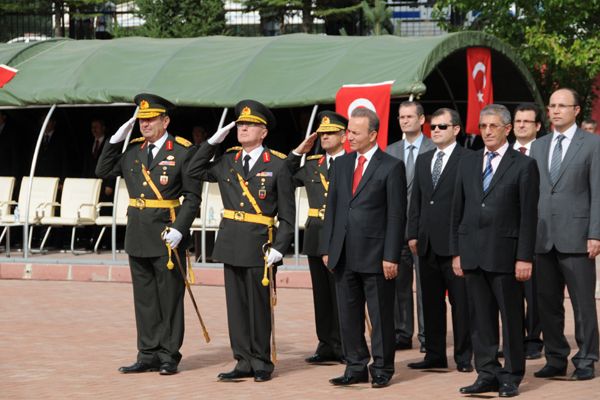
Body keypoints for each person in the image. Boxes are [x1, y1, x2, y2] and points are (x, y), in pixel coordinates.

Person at [187, 99, 295, 383]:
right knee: (236, 307)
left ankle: (261, 362)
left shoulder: (278, 165)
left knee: (258, 307)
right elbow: (193, 170)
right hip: (231, 241)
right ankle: (243, 360)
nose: (243, 128)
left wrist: (280, 248)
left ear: (264, 132)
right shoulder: (227, 160)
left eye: (250, 125)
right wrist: (211, 142)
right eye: (241, 124)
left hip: (260, 245)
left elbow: (287, 215)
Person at [96, 93, 201, 376]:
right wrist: (116, 138)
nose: (145, 124)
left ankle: (169, 355)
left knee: (169, 297)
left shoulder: (182, 150)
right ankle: (147, 353)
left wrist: (180, 229)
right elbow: (102, 169)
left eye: (151, 119)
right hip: (138, 233)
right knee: (144, 299)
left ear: (165, 121)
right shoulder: (131, 150)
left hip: (167, 233)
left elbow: (192, 197)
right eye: (141, 119)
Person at [451, 104, 539, 397]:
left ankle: (511, 375)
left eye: (493, 126)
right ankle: (486, 372)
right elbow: (458, 210)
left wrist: (524, 257)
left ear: (507, 129)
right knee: (480, 319)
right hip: (472, 253)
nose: (487, 131)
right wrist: (457, 252)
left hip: (506, 255)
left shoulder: (523, 165)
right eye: (483, 126)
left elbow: (528, 216)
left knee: (511, 318)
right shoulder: (467, 162)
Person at [321, 107, 406, 388]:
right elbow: (332, 208)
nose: (349, 137)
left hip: (376, 255)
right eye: (348, 132)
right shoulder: (343, 164)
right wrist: (328, 247)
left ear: (373, 134)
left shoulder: (391, 166)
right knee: (348, 314)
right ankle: (355, 365)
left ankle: (382, 367)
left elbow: (396, 215)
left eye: (355, 133)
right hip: (343, 253)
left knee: (380, 315)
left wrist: (391, 255)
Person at [530, 88, 600, 381]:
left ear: (576, 110)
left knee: (583, 304)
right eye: (552, 106)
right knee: (547, 303)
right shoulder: (539, 146)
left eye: (562, 106)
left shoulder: (592, 144)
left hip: (578, 236)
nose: (556, 111)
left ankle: (585, 359)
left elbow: (598, 192)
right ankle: (555, 357)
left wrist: (595, 233)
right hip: (542, 237)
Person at [406, 108, 472, 372]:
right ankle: (434, 354)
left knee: (461, 304)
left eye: (442, 127)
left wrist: (464, 243)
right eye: (432, 126)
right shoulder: (424, 160)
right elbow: (418, 201)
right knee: (431, 303)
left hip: (456, 244)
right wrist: (412, 232)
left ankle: (464, 356)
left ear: (456, 129)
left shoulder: (469, 159)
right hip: (427, 243)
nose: (435, 131)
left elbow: (470, 203)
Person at [287, 111, 347, 364]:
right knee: (321, 295)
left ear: (344, 136)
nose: (325, 137)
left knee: (343, 293)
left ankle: (345, 344)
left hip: (343, 235)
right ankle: (326, 344)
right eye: (322, 133)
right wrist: (299, 151)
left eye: (330, 133)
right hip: (316, 234)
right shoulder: (312, 164)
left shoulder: (353, 162)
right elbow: (284, 177)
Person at [386, 100, 434, 351]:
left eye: (409, 117)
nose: (404, 121)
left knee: (425, 284)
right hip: (397, 228)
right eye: (401, 117)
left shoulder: (433, 147)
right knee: (399, 284)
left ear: (422, 119)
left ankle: (428, 336)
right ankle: (402, 332)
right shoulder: (391, 150)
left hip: (424, 228)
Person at [512, 102, 544, 360]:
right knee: (509, 289)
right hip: (505, 232)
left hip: (535, 228)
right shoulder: (502, 153)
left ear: (537, 126)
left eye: (526, 121)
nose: (521, 125)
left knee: (533, 288)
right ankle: (513, 338)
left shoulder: (542, 153)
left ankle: (533, 337)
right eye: (518, 121)